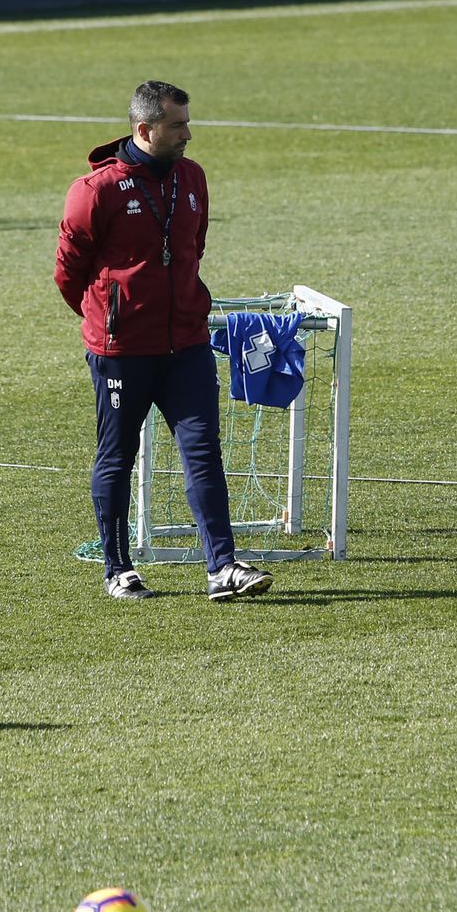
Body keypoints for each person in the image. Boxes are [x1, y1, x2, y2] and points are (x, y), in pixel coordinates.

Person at [54, 80, 274, 602]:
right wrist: (108, 320)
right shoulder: (96, 191)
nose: (188, 135)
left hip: (187, 347)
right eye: (178, 126)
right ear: (144, 129)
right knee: (118, 455)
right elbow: (68, 271)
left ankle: (222, 567)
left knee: (203, 451)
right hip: (122, 353)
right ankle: (117, 569)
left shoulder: (192, 178)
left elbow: (193, 249)